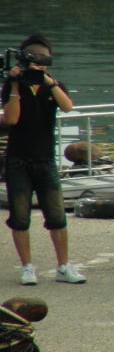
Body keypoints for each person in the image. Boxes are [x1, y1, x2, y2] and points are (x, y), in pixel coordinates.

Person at [1, 34, 86, 286]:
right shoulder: (12, 85)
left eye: (43, 60)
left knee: (58, 216)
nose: (39, 64)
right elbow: (12, 119)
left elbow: (68, 107)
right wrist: (15, 84)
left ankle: (63, 266)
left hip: (45, 159)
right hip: (18, 160)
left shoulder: (54, 84)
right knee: (20, 217)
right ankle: (27, 267)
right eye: (34, 60)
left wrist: (47, 81)